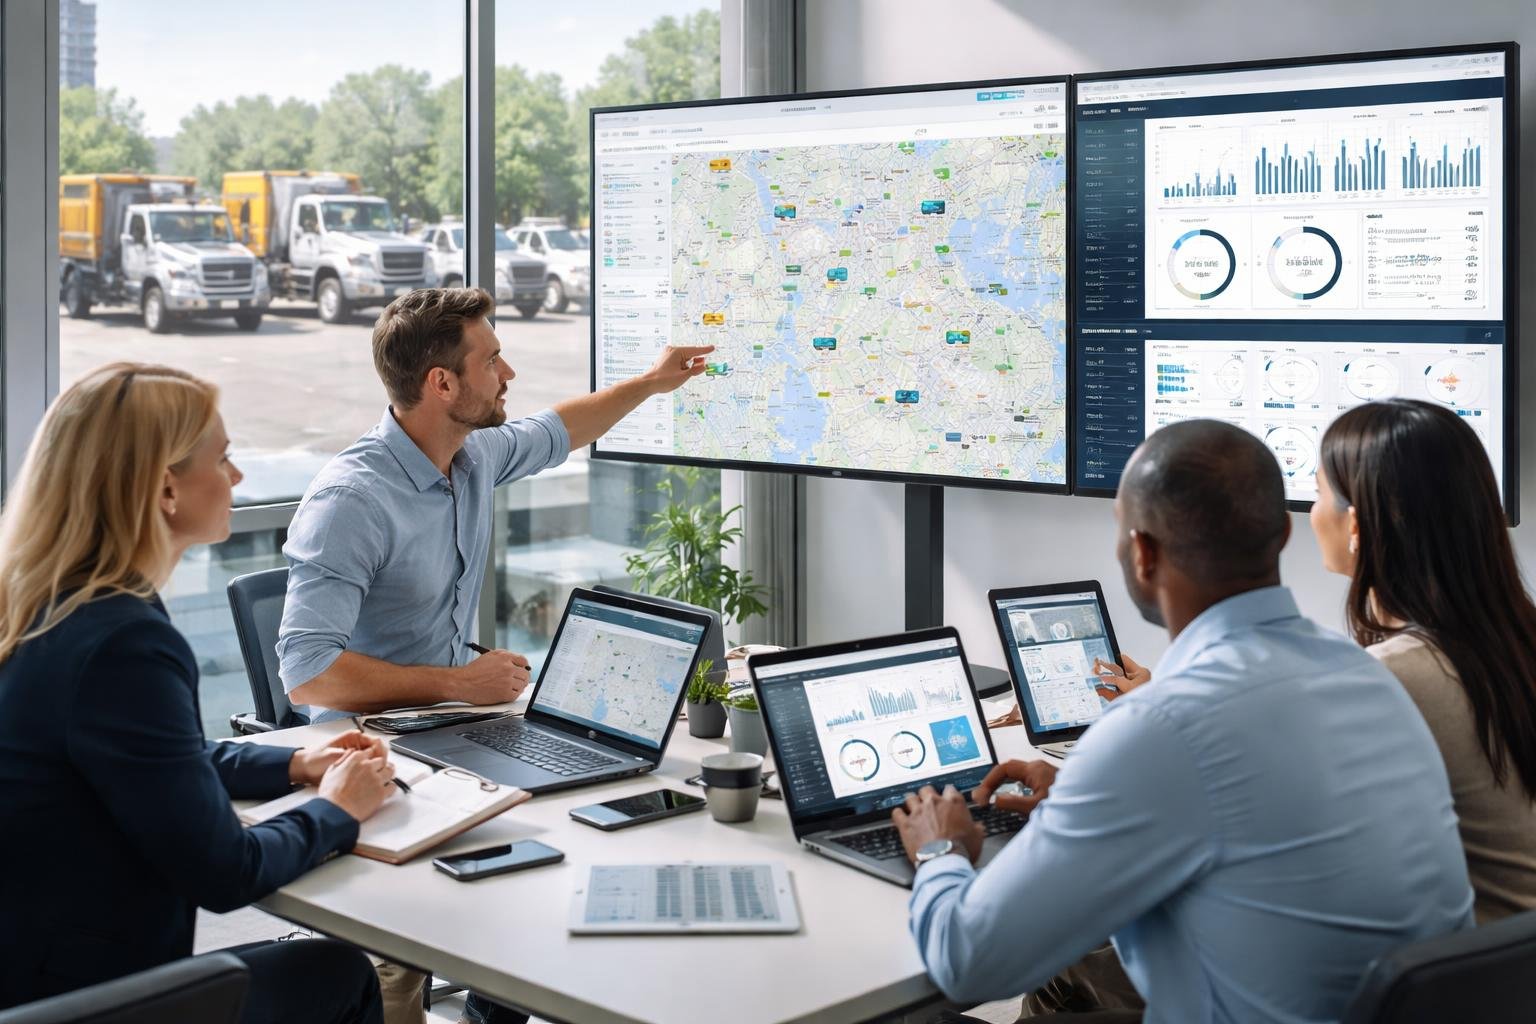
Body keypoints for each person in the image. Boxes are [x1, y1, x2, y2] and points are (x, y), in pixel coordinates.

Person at [892, 419, 1473, 1024]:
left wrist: (940, 848)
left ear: (1141, 553)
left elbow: (966, 963)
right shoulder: (1369, 680)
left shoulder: (1159, 728)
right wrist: (1089, 797)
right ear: (1280, 534)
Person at [276, 287, 712, 1024]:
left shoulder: (471, 455)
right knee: (397, 964)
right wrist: (458, 681)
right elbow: (307, 673)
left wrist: (651, 382)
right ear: (441, 383)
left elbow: (560, 428)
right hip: (374, 749)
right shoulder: (352, 499)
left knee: (558, 852)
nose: (507, 374)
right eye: (492, 359)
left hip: (457, 726)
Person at [0, 363, 396, 1023]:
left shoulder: (45, 603)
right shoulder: (122, 641)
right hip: (83, 997)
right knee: (336, 972)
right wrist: (339, 809)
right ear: (164, 488)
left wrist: (293, 762)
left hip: (24, 972)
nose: (237, 478)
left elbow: (142, 757)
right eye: (224, 458)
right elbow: (225, 872)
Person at [1311, 399, 1536, 923]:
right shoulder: (1513, 639)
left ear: (1356, 524)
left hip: (1466, 983)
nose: (1313, 511)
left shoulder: (1393, 677)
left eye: (1319, 490)